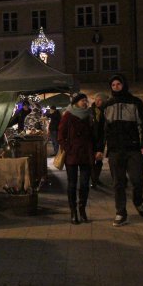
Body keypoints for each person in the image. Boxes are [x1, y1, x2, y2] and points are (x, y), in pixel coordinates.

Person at [96, 74, 143, 227]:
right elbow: (102, 130)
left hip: (133, 149)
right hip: (115, 150)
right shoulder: (107, 105)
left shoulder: (135, 102)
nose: (116, 87)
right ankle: (121, 212)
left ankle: (138, 201)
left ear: (124, 85)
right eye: (113, 85)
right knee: (118, 183)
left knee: (137, 179)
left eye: (118, 84)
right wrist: (100, 149)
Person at [58, 93, 97, 224]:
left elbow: (93, 134)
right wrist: (68, 149)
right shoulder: (68, 115)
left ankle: (82, 210)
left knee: (85, 184)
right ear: (75, 102)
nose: (85, 103)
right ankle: (73, 212)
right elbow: (60, 135)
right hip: (72, 154)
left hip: (86, 154)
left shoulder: (89, 115)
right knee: (72, 184)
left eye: (86, 101)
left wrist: (95, 150)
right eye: (82, 101)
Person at [89, 93, 107, 187]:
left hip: (101, 139)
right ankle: (94, 180)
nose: (97, 102)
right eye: (96, 99)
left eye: (100, 100)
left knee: (99, 160)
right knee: (92, 161)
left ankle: (96, 178)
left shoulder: (105, 111)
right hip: (92, 140)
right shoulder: (90, 111)